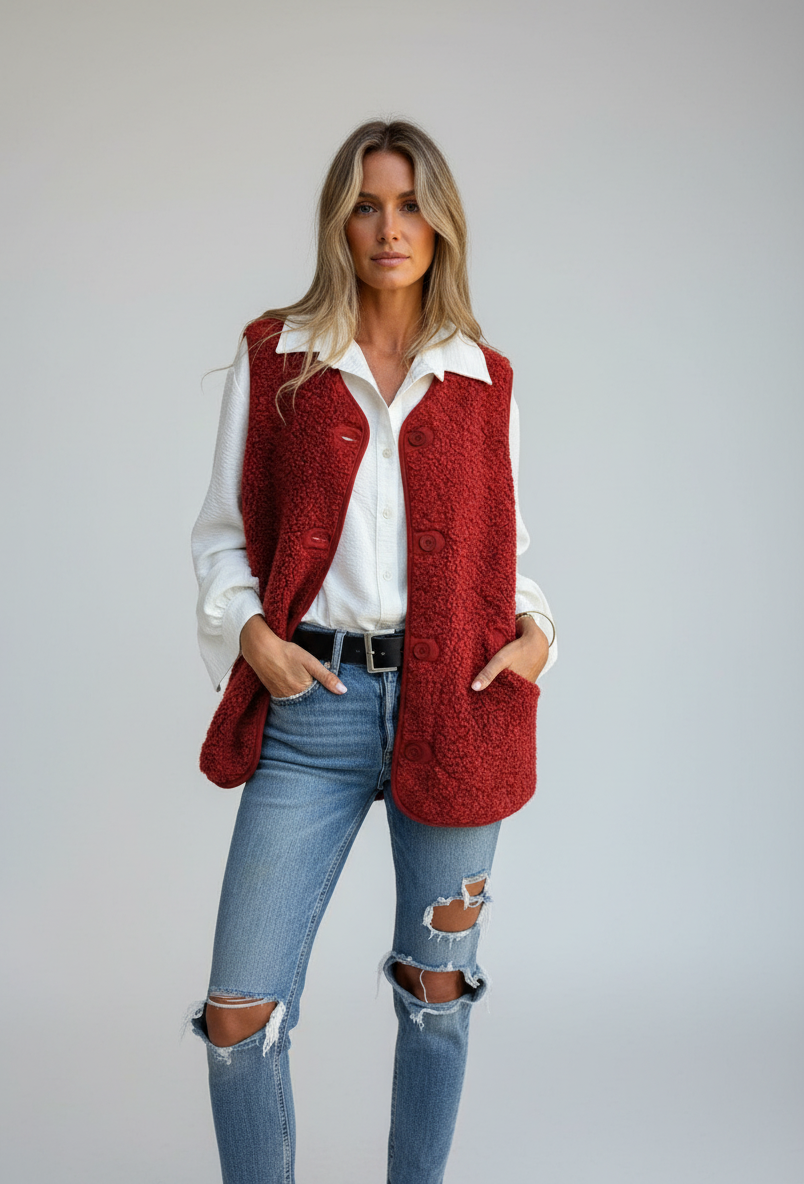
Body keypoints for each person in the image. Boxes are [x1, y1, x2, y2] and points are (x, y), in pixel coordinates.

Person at [188, 118, 557, 1184]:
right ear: (337, 224)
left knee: (436, 996)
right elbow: (221, 534)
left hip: (457, 707)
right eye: (365, 205)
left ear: (441, 225)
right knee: (239, 1011)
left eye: (408, 205)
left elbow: (505, 552)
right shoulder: (279, 355)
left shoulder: (484, 378)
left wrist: (540, 634)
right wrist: (254, 637)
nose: (389, 228)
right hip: (314, 706)